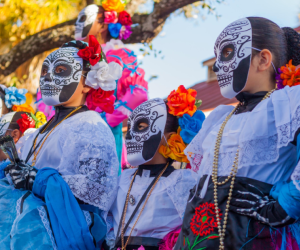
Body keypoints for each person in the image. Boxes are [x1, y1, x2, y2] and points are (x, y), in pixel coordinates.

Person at [175, 17, 300, 250]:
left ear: (263, 59)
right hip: (196, 237)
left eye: (227, 52)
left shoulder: (289, 103)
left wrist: (285, 206)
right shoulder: (220, 118)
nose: (215, 66)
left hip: (251, 237)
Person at [0, 37, 120, 249]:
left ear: (88, 83)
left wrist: (37, 180)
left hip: (55, 234)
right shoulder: (37, 133)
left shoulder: (90, 126)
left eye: (61, 70)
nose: (47, 78)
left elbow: (95, 195)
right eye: (45, 71)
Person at [107, 85, 206, 250]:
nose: (130, 135)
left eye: (140, 127)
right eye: (130, 127)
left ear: (169, 137)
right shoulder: (123, 179)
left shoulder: (183, 182)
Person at [75, 3, 148, 173]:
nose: (78, 24)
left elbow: (138, 93)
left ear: (102, 25)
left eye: (84, 18)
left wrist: (107, 119)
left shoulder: (118, 55)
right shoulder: (71, 56)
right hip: (71, 133)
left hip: (104, 137)